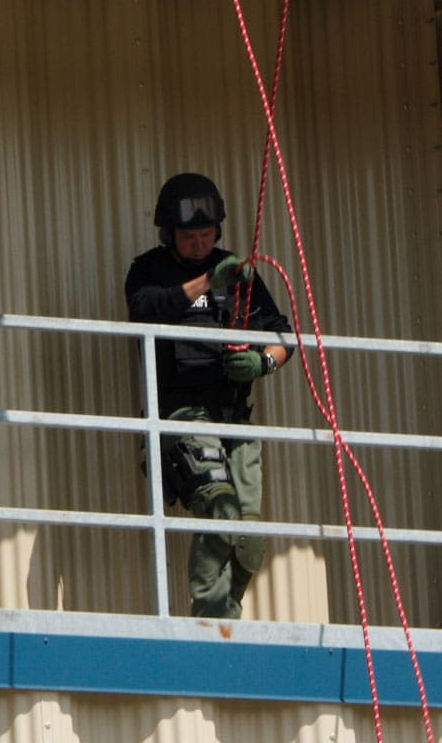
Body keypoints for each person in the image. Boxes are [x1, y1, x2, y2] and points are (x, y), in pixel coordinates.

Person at [124, 172, 292, 619]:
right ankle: (210, 619)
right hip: (182, 418)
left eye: (206, 235)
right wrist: (206, 281)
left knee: (249, 537)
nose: (198, 244)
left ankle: (227, 616)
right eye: (188, 237)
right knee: (221, 509)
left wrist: (264, 362)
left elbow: (283, 336)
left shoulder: (240, 273)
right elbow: (144, 308)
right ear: (169, 234)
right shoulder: (149, 271)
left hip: (234, 418)